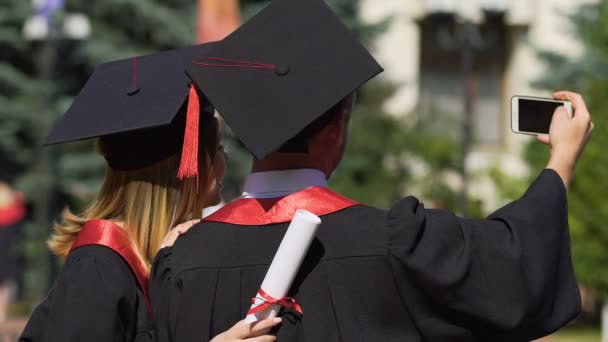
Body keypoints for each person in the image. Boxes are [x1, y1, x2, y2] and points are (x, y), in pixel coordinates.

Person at [151, 0, 591, 341]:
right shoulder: (395, 242)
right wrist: (561, 162)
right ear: (337, 128)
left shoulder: (184, 259)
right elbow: (512, 267)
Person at [20, 45, 281, 342]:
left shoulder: (157, 257)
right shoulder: (97, 266)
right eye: (219, 149)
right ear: (189, 165)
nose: (226, 161)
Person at [0, 182, 26, 323]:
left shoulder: (11, 214)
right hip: (7, 258)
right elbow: (19, 211)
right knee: (5, 285)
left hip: (5, 257)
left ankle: (1, 312)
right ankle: (1, 312)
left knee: (4, 284)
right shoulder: (12, 214)